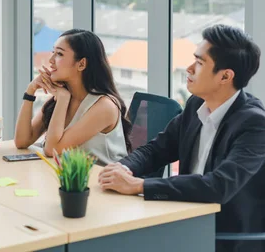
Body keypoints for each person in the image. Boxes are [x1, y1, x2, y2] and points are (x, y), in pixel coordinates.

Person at [99, 24, 265, 252]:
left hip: (223, 236)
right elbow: (156, 150)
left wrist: (139, 186)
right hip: (186, 218)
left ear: (225, 76)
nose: (188, 68)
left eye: (199, 63)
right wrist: (122, 169)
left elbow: (219, 186)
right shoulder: (196, 104)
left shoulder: (254, 124)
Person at [14, 29, 131, 165]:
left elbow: (52, 150)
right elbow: (22, 141)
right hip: (67, 179)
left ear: (81, 64)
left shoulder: (104, 106)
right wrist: (30, 91)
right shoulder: (60, 97)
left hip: (100, 182)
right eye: (53, 52)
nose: (51, 60)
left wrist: (63, 99)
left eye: (59, 54)